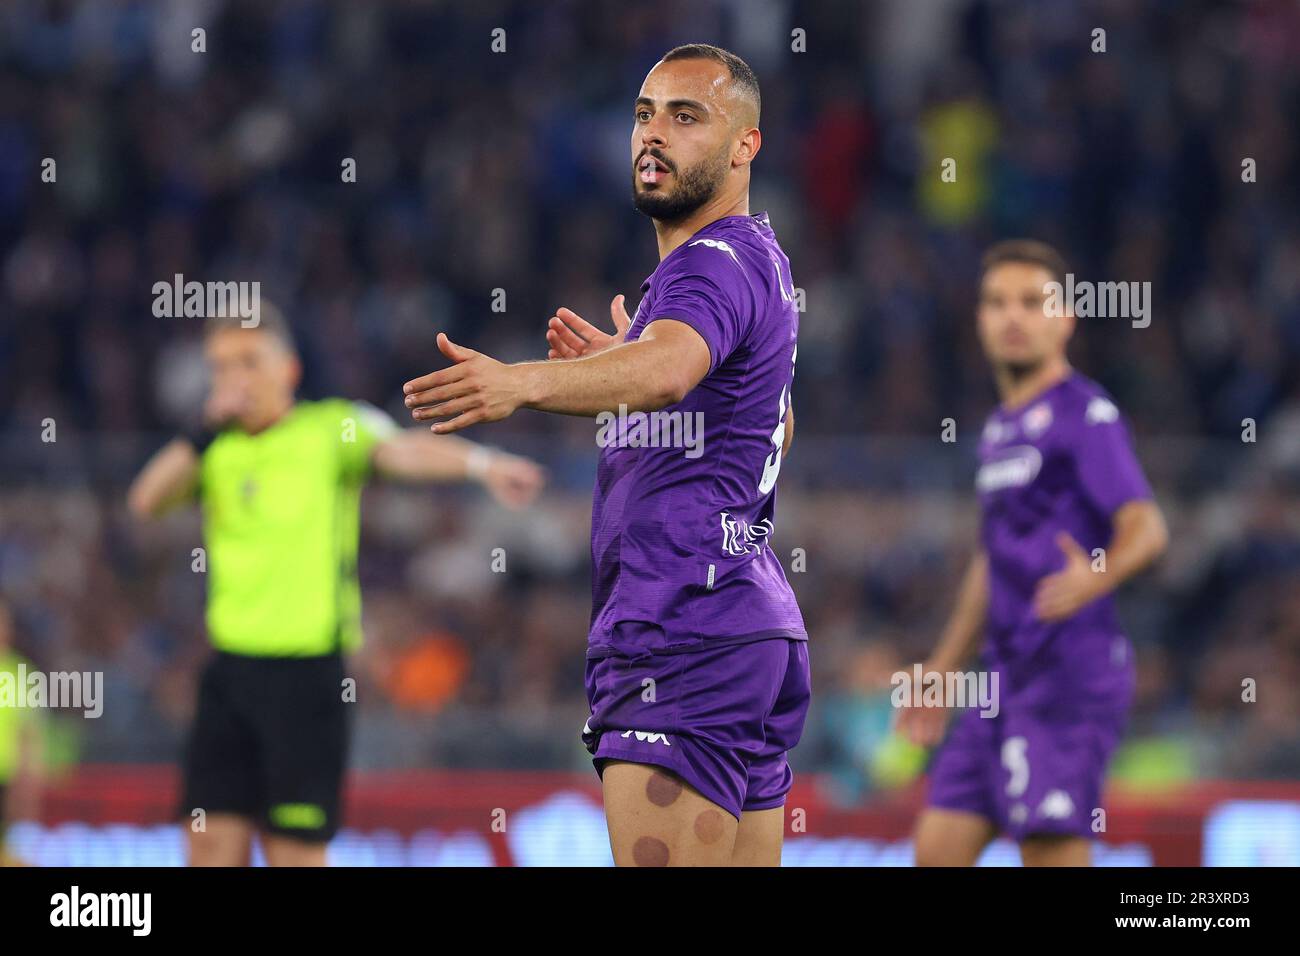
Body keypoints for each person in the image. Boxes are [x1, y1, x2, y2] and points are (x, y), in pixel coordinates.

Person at [403, 43, 808, 867]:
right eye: (643, 113)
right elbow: (773, 420)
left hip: (684, 627)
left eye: (686, 117)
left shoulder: (708, 264)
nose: (654, 134)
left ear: (744, 146)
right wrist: (632, 361)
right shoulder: (754, 262)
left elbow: (664, 374)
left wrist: (523, 382)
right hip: (747, 627)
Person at [127, 304, 544, 866]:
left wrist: (481, 465)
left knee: (293, 854)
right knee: (207, 845)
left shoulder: (329, 428)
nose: (234, 378)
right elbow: (145, 500)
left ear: (289, 370)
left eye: (249, 362)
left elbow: (399, 450)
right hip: (227, 675)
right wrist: (203, 429)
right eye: (220, 366)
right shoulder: (213, 448)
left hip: (305, 677)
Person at [899, 240, 1169, 866]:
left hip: (1066, 679)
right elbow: (991, 560)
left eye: (1031, 301)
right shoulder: (998, 429)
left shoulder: (1084, 413)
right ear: (980, 320)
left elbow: (1147, 526)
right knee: (934, 851)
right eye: (996, 303)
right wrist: (942, 667)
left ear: (1065, 318)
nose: (1012, 316)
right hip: (1000, 678)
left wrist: (1097, 572)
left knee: (1049, 852)